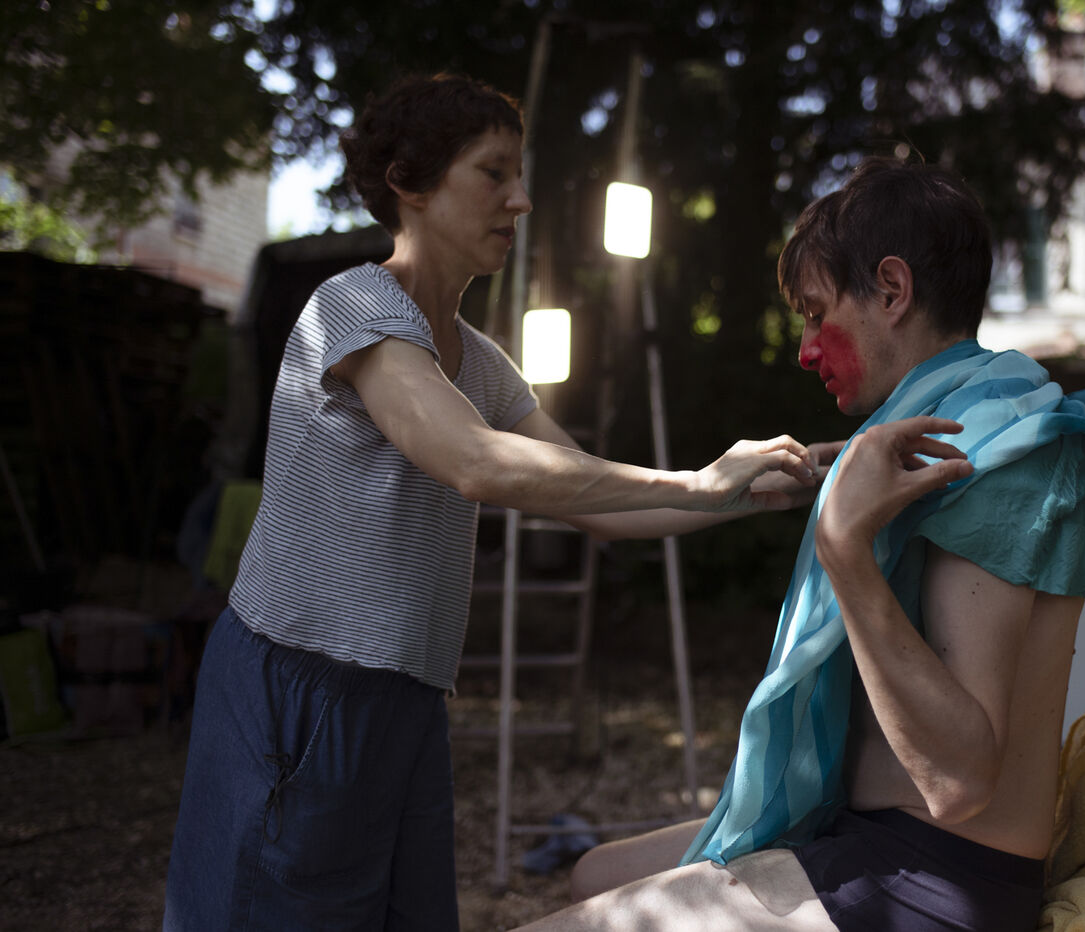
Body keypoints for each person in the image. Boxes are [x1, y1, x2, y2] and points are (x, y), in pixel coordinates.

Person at [161, 72, 826, 931]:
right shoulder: (353, 307)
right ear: (408, 183)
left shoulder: (479, 362)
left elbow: (601, 505)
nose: (520, 199)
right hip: (301, 687)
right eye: (492, 173)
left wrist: (755, 491)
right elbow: (473, 462)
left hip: (405, 704)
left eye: (520, 175)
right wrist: (699, 483)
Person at [517, 156, 1085, 931]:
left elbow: (958, 781)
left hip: (937, 880)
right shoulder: (961, 424)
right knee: (591, 875)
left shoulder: (994, 459)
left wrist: (845, 549)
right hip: (869, 836)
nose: (804, 349)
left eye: (817, 313)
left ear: (892, 290)